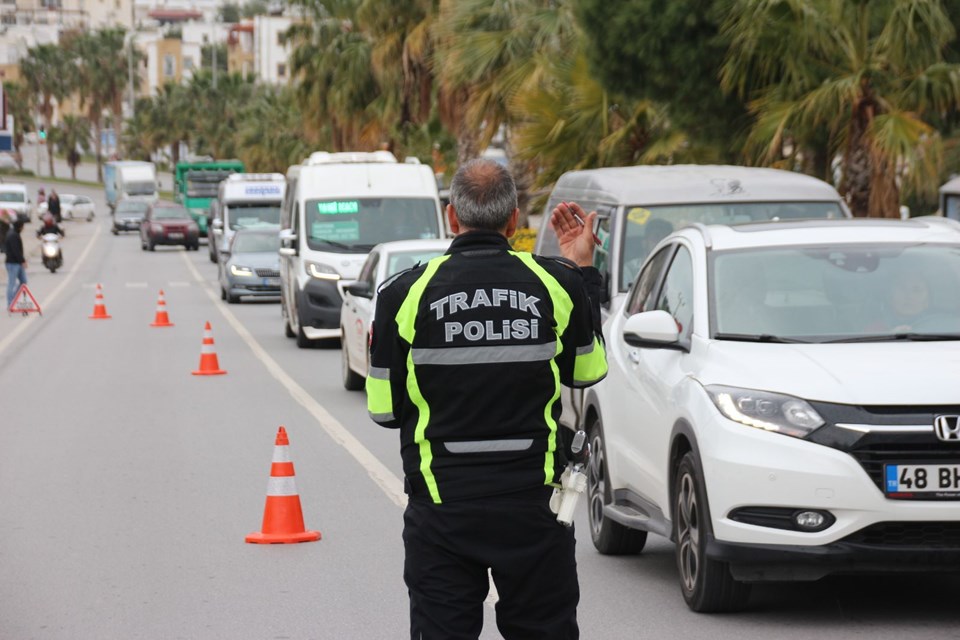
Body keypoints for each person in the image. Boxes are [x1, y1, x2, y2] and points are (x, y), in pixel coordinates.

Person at [366, 158, 608, 640]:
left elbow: (384, 410)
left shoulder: (402, 294)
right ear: (513, 221)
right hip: (534, 509)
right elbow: (588, 371)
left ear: (451, 216)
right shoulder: (556, 283)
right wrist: (583, 269)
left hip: (441, 511)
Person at [5, 219, 27, 307]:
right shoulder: (13, 235)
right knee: (12, 283)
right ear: (20, 227)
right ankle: (10, 303)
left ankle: (14, 298)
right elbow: (16, 251)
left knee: (23, 281)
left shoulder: (14, 233)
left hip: (17, 262)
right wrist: (22, 261)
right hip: (12, 263)